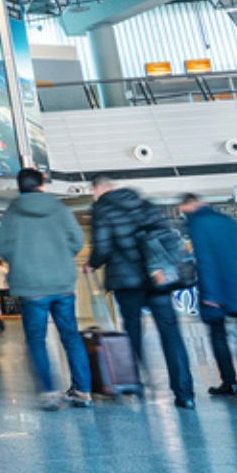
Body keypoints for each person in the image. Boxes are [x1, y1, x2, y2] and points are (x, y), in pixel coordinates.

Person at [88, 175, 196, 409]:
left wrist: (92, 263)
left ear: (98, 189)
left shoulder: (102, 209)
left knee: (133, 332)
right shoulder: (144, 204)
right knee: (171, 334)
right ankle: (184, 392)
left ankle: (135, 383)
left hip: (127, 280)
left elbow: (103, 246)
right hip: (157, 278)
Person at [0, 168, 92, 410]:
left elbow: (2, 247)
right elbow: (77, 240)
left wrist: (21, 261)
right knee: (71, 337)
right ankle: (82, 391)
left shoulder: (12, 212)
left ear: (19, 188)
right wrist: (60, 257)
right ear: (43, 185)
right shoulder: (59, 209)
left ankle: (49, 392)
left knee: (37, 340)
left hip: (30, 286)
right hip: (62, 284)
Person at [179, 193, 237, 399]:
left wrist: (210, 293)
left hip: (218, 290)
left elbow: (205, 259)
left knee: (218, 336)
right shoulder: (227, 221)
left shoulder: (198, 224)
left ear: (188, 205)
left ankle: (230, 382)